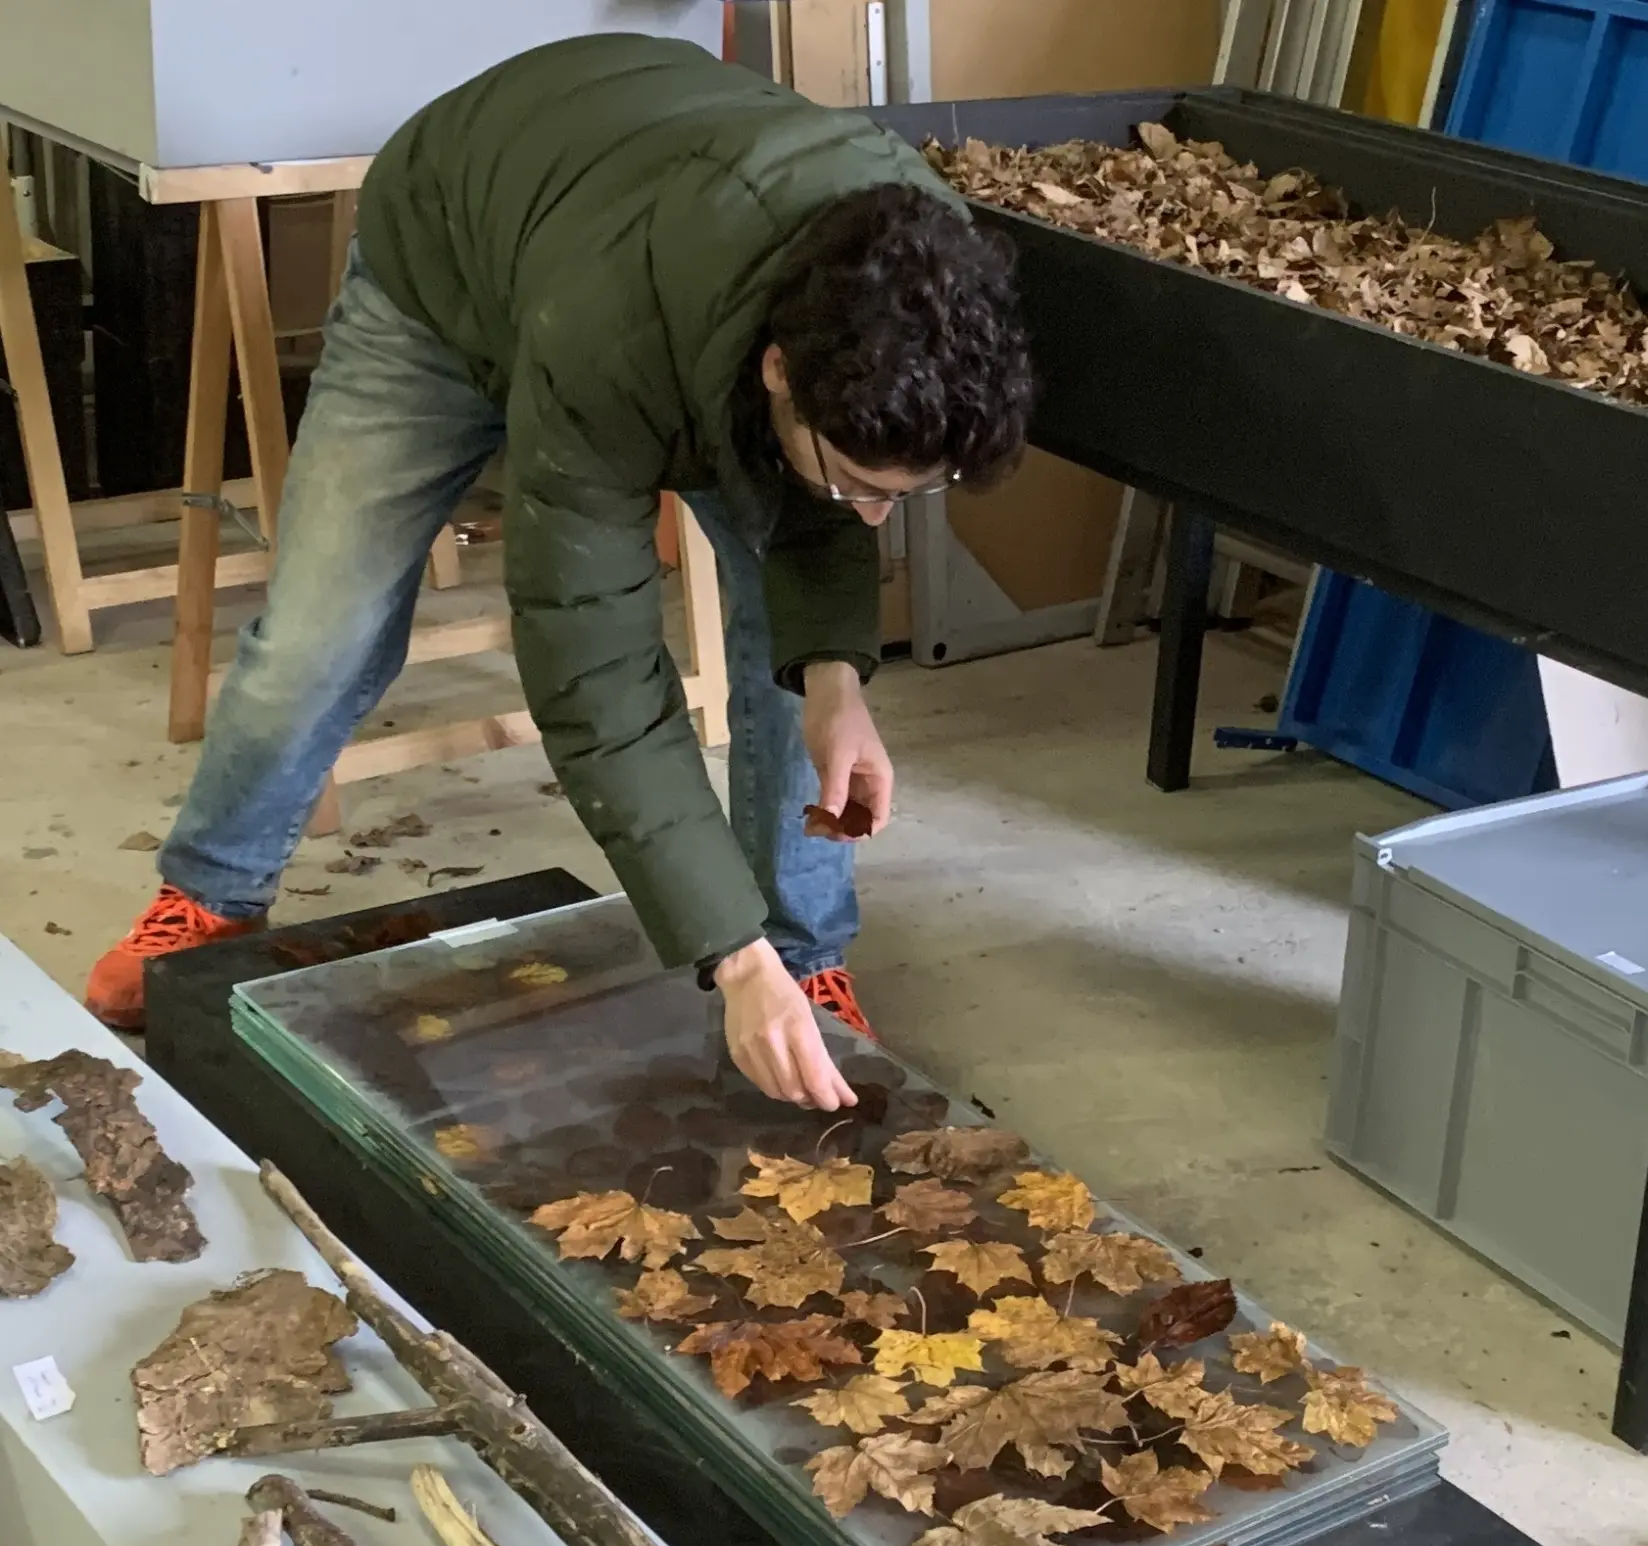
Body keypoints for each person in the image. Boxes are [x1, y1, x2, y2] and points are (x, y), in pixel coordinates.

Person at [86, 32, 1034, 1113]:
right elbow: (597, 670)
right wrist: (723, 955)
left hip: (652, 243)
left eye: (903, 492)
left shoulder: (928, 286)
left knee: (795, 637)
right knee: (324, 622)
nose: (876, 515)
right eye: (863, 482)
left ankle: (805, 954)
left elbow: (821, 502)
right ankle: (210, 891)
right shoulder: (613, 337)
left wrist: (834, 678)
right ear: (781, 373)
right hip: (451, 267)